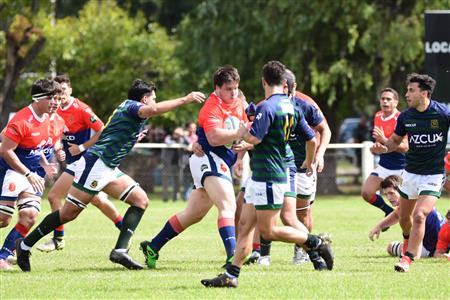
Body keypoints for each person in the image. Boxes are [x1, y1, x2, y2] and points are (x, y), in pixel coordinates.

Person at [15, 79, 205, 272]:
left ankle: (120, 251)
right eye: (153, 99)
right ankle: (24, 246)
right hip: (97, 164)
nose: (155, 103)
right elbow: (153, 111)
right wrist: (185, 99)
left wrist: (132, 136)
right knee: (68, 213)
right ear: (145, 99)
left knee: (140, 200)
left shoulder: (130, 110)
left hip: (108, 167)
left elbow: (114, 132)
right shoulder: (133, 106)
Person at [200, 61, 334, 288]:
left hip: (269, 174)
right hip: (263, 174)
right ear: (284, 82)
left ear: (263, 81)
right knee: (244, 225)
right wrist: (309, 160)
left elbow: (255, 139)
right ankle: (232, 275)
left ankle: (315, 242)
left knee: (269, 231)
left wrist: (241, 132)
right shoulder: (293, 106)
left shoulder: (267, 107)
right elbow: (312, 138)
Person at [139, 65, 247, 269]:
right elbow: (215, 138)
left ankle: (153, 246)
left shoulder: (239, 103)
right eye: (228, 88)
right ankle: (233, 257)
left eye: (235, 88)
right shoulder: (212, 107)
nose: (233, 92)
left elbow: (247, 131)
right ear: (217, 88)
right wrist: (238, 133)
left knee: (193, 214)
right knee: (228, 206)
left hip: (220, 160)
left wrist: (240, 156)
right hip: (208, 158)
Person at [371, 73, 450, 272]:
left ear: (424, 93)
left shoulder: (442, 113)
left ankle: (407, 259)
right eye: (407, 90)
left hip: (433, 175)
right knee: (404, 218)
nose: (406, 94)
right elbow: (394, 142)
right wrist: (384, 147)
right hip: (411, 174)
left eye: (411, 90)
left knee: (420, 215)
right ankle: (407, 240)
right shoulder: (406, 117)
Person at [36, 74, 124, 252]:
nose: (61, 95)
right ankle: (125, 230)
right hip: (74, 163)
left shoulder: (82, 109)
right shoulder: (54, 110)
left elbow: (103, 130)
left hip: (85, 162)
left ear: (70, 90)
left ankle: (58, 239)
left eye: (64, 90)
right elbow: (57, 135)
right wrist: (59, 147)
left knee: (54, 196)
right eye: (57, 92)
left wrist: (82, 147)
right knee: (98, 200)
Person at [0, 79, 62, 270]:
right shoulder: (22, 120)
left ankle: (3, 256)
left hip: (33, 173)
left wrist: (46, 164)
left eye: (58, 98)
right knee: (3, 219)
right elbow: (6, 150)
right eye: (51, 98)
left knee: (29, 216)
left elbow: (38, 147)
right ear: (37, 99)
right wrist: (28, 173)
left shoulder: (53, 120)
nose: (56, 102)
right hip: (12, 170)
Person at [285, 70, 332, 264]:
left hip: (304, 166)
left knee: (302, 212)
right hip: (279, 166)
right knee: (265, 210)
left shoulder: (305, 104)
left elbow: (324, 130)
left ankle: (304, 250)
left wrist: (318, 155)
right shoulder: (267, 105)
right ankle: (261, 255)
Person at [368, 175, 445, 258]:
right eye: (386, 194)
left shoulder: (412, 206)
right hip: (443, 244)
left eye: (391, 193)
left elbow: (414, 229)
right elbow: (397, 214)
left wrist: (414, 255)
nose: (389, 198)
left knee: (391, 247)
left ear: (401, 191)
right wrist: (379, 226)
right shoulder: (416, 200)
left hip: (431, 248)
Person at [362, 88, 408, 219]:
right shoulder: (378, 116)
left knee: (406, 204)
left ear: (396, 102)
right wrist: (375, 148)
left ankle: (412, 235)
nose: (385, 102)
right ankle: (389, 212)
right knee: (367, 193)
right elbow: (382, 145)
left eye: (389, 99)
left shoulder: (401, 118)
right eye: (383, 99)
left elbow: (405, 147)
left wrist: (384, 140)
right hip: (384, 165)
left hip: (402, 168)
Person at [161, 127, 188, 202]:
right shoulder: (168, 137)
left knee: (177, 182)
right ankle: (165, 198)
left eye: (179, 134)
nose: (177, 135)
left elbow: (187, 142)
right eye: (177, 134)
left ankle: (175, 198)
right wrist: (177, 143)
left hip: (178, 164)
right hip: (168, 163)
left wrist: (183, 136)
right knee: (166, 181)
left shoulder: (182, 139)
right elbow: (169, 143)